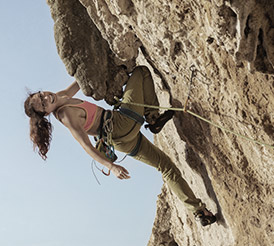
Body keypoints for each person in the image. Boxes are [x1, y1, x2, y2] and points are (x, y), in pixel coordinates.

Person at [24, 66, 216, 226]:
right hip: (121, 124)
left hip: (122, 141)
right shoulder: (66, 115)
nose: (46, 98)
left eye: (41, 95)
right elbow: (86, 146)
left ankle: (199, 212)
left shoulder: (60, 97)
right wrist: (111, 167)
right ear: (46, 114)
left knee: (166, 167)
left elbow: (81, 80)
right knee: (141, 73)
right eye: (43, 105)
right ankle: (153, 117)